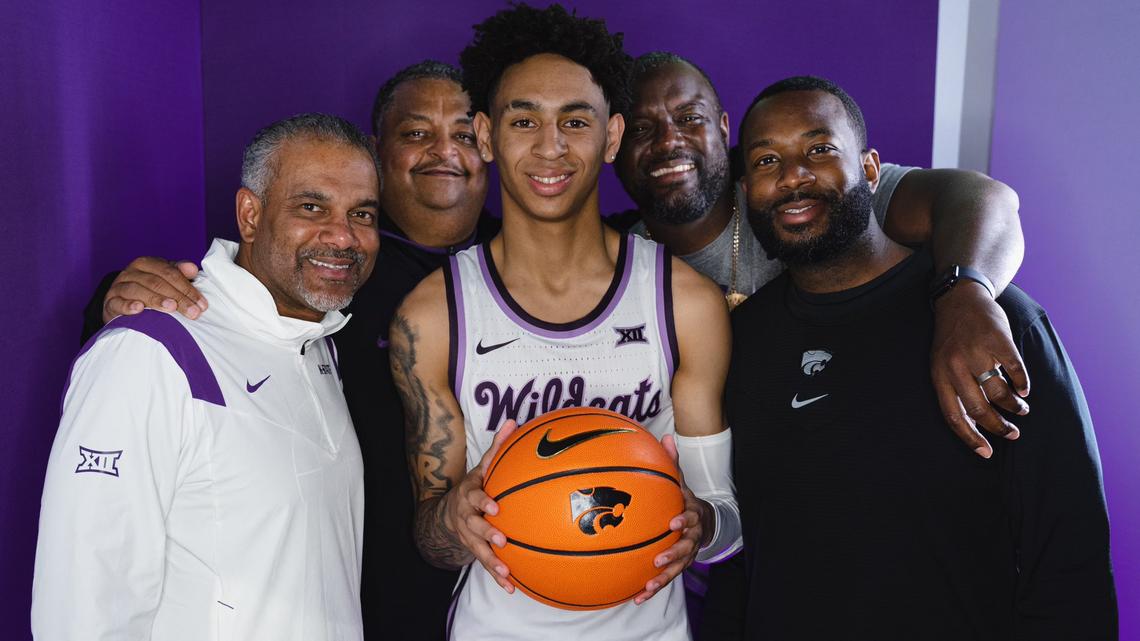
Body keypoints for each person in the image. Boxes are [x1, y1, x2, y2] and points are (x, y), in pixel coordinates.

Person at [79, 61, 498, 641]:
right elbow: (93, 584)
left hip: (502, 602)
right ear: (379, 151)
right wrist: (116, 302)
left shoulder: (523, 264)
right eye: (417, 132)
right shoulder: (322, 283)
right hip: (381, 603)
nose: (443, 151)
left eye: (464, 133)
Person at [710, 76, 1117, 639]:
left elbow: (1069, 551)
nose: (792, 175)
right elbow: (746, 557)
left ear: (872, 170)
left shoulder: (985, 321)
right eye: (765, 160)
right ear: (746, 189)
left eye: (820, 149)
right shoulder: (741, 341)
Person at [390, 5, 739, 640]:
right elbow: (430, 539)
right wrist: (453, 522)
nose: (550, 147)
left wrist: (701, 525)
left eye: (575, 121)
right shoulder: (433, 315)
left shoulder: (683, 302)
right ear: (487, 136)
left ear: (611, 138)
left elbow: (725, 521)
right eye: (524, 120)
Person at [32, 114, 381, 640]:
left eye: (362, 214)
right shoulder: (149, 351)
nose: (343, 236)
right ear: (250, 214)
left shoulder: (319, 345)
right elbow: (84, 611)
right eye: (312, 207)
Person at [614, 52, 1030, 458]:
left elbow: (984, 199)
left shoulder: (808, 198)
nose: (669, 141)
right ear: (612, 141)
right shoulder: (615, 266)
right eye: (640, 128)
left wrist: (967, 295)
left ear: (723, 129)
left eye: (689, 119)